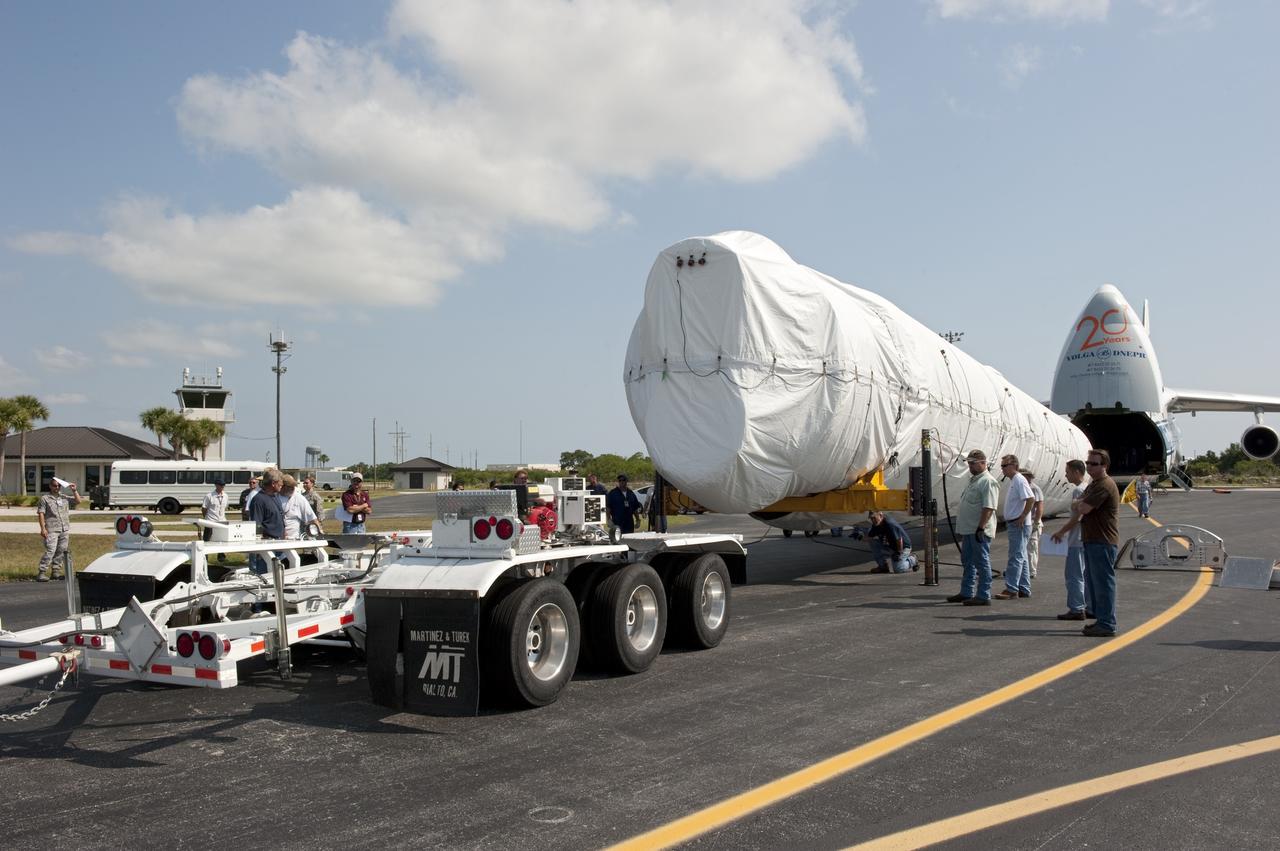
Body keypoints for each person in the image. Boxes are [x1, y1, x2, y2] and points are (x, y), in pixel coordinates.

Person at [1075, 449, 1121, 637]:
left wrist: (1079, 504)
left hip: (1102, 540)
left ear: (1104, 466)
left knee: (1103, 583)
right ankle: (1101, 620)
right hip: (1093, 539)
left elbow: (1083, 507)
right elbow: (1079, 503)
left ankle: (1107, 623)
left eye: (1094, 463)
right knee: (1095, 583)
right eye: (1088, 463)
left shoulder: (1104, 485)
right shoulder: (1094, 484)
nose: (1089, 466)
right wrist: (1079, 503)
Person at [947, 449, 999, 605]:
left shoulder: (987, 481)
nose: (970, 466)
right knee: (968, 561)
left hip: (978, 530)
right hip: (969, 529)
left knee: (981, 562)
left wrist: (981, 528)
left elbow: (989, 507)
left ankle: (984, 595)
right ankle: (966, 592)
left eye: (973, 463)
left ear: (984, 463)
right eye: (969, 463)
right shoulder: (974, 480)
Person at [1050, 459, 1091, 621]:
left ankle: (1076, 608)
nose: (1066, 475)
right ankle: (1089, 605)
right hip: (1086, 538)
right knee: (1085, 574)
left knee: (1073, 575)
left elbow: (1077, 518)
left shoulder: (1078, 491)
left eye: (1067, 472)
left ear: (1076, 472)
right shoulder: (1088, 488)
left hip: (1076, 539)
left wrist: (1061, 532)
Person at [995, 455, 1036, 600]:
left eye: (1005, 466)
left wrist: (1022, 517)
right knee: (1022, 556)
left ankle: (1011, 588)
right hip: (1016, 523)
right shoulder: (1015, 480)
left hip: (1018, 524)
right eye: (1002, 466)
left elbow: (1030, 499)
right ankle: (1024, 588)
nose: (1002, 469)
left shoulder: (1018, 480)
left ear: (1014, 466)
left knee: (1015, 556)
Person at [36, 477, 79, 581]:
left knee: (61, 550)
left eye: (59, 486)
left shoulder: (63, 497)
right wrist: (43, 529)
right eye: (55, 486)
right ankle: (42, 572)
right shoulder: (45, 498)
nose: (57, 488)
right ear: (50, 486)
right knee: (50, 550)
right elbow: (41, 513)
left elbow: (78, 501)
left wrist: (74, 490)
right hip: (51, 529)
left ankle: (55, 572)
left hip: (64, 529)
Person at [247, 469, 285, 575]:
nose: (282, 485)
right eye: (280, 483)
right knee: (266, 577)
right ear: (273, 483)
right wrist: (259, 550)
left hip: (279, 545)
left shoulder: (276, 497)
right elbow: (256, 526)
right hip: (266, 547)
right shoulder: (258, 500)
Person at [278, 474, 319, 540]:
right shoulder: (274, 497)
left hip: (294, 538)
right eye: (290, 486)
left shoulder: (299, 498)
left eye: (293, 486)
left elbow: (312, 518)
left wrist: (318, 532)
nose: (293, 488)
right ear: (283, 486)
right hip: (276, 538)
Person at [1022, 470, 1045, 579]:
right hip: (1025, 521)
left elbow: (1039, 507)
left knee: (1031, 547)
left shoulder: (1034, 488)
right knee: (1022, 547)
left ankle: (1031, 571)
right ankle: (1023, 569)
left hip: (1032, 521)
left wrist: (1036, 522)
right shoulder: (1023, 487)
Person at [201, 477, 229, 563]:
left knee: (221, 539)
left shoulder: (225, 496)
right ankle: (204, 556)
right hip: (210, 521)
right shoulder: (209, 496)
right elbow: (204, 508)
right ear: (216, 485)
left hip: (221, 521)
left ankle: (221, 555)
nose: (222, 487)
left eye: (223, 485)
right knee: (207, 540)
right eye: (221, 485)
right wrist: (206, 517)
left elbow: (225, 507)